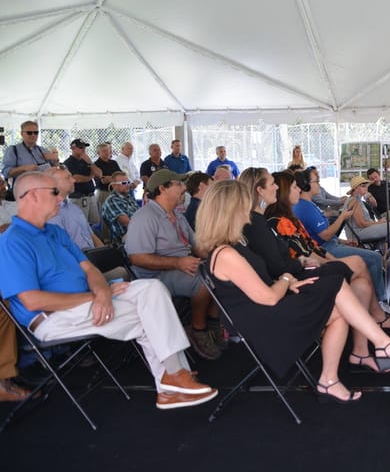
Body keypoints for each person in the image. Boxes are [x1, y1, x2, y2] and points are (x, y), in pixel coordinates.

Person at [0, 171, 218, 410]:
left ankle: (173, 382)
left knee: (152, 289)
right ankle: (173, 380)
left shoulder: (55, 232)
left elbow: (89, 269)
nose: (61, 197)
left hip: (89, 301)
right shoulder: (12, 241)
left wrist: (103, 293)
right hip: (52, 317)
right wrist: (95, 296)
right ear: (31, 196)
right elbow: (32, 300)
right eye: (54, 192)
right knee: (149, 315)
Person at [193, 180, 390, 402]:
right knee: (334, 283)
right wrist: (285, 279)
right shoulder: (227, 254)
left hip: (267, 306)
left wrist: (288, 283)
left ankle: (330, 380)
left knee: (338, 305)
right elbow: (270, 297)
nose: (248, 211)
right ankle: (381, 343)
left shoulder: (233, 246)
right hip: (263, 319)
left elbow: (260, 285)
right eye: (244, 205)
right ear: (230, 210)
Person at [241, 169, 390, 372]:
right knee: (357, 267)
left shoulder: (265, 221)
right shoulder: (261, 224)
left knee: (360, 282)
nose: (299, 189)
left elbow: (304, 249)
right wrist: (303, 262)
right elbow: (282, 264)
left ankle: (363, 350)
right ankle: (376, 333)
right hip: (296, 283)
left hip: (298, 275)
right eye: (274, 184)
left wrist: (310, 260)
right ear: (260, 190)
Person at [125, 170, 223, 359]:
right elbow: (137, 258)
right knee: (204, 282)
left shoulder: (177, 216)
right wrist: (178, 263)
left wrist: (219, 257)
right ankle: (198, 329)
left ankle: (212, 324)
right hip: (154, 277)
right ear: (162, 189)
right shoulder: (144, 217)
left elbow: (197, 246)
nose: (184, 188)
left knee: (222, 274)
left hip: (182, 267)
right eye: (178, 184)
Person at [293, 168, 388, 304]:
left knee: (375, 254)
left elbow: (320, 234)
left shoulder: (309, 204)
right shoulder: (305, 207)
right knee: (375, 258)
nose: (319, 184)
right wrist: (342, 217)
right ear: (307, 185)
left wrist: (343, 241)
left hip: (331, 244)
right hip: (327, 248)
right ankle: (382, 300)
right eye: (317, 181)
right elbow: (325, 235)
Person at [47, 166, 104, 251]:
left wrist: (105, 253)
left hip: (92, 257)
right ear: (52, 184)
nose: (73, 180)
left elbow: (91, 235)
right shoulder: (51, 214)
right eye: (68, 178)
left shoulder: (74, 208)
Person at [1, 120, 60, 193]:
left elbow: (55, 171)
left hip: (44, 191)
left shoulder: (43, 150)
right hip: (23, 192)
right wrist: (23, 168)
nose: (33, 135)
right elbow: (5, 172)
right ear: (22, 134)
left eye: (36, 133)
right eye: (29, 133)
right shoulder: (13, 150)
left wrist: (55, 160)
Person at [64, 138, 101, 224]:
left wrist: (90, 163)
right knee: (81, 224)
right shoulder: (68, 162)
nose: (83, 149)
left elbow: (99, 174)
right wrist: (89, 177)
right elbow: (76, 178)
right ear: (73, 148)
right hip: (78, 198)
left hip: (91, 196)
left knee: (94, 223)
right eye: (80, 147)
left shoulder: (86, 161)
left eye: (84, 147)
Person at [346, 176, 388, 245]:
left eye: (366, 185)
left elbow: (374, 205)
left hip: (363, 230)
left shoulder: (357, 200)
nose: (366, 187)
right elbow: (362, 224)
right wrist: (379, 222)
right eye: (364, 186)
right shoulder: (354, 201)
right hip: (359, 233)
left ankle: (385, 252)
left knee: (389, 227)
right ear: (356, 188)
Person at [102, 170, 140, 245]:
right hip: (126, 240)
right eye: (124, 183)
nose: (128, 185)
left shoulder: (128, 197)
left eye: (128, 182)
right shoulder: (112, 200)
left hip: (138, 232)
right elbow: (128, 223)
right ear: (113, 185)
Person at [93, 141, 122, 225]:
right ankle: (106, 237)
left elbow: (120, 176)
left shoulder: (114, 163)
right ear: (98, 153)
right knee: (105, 216)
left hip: (115, 192)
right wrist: (113, 178)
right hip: (103, 192)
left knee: (117, 214)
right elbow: (103, 180)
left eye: (108, 150)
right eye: (104, 151)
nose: (107, 153)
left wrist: (111, 179)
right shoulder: (96, 165)